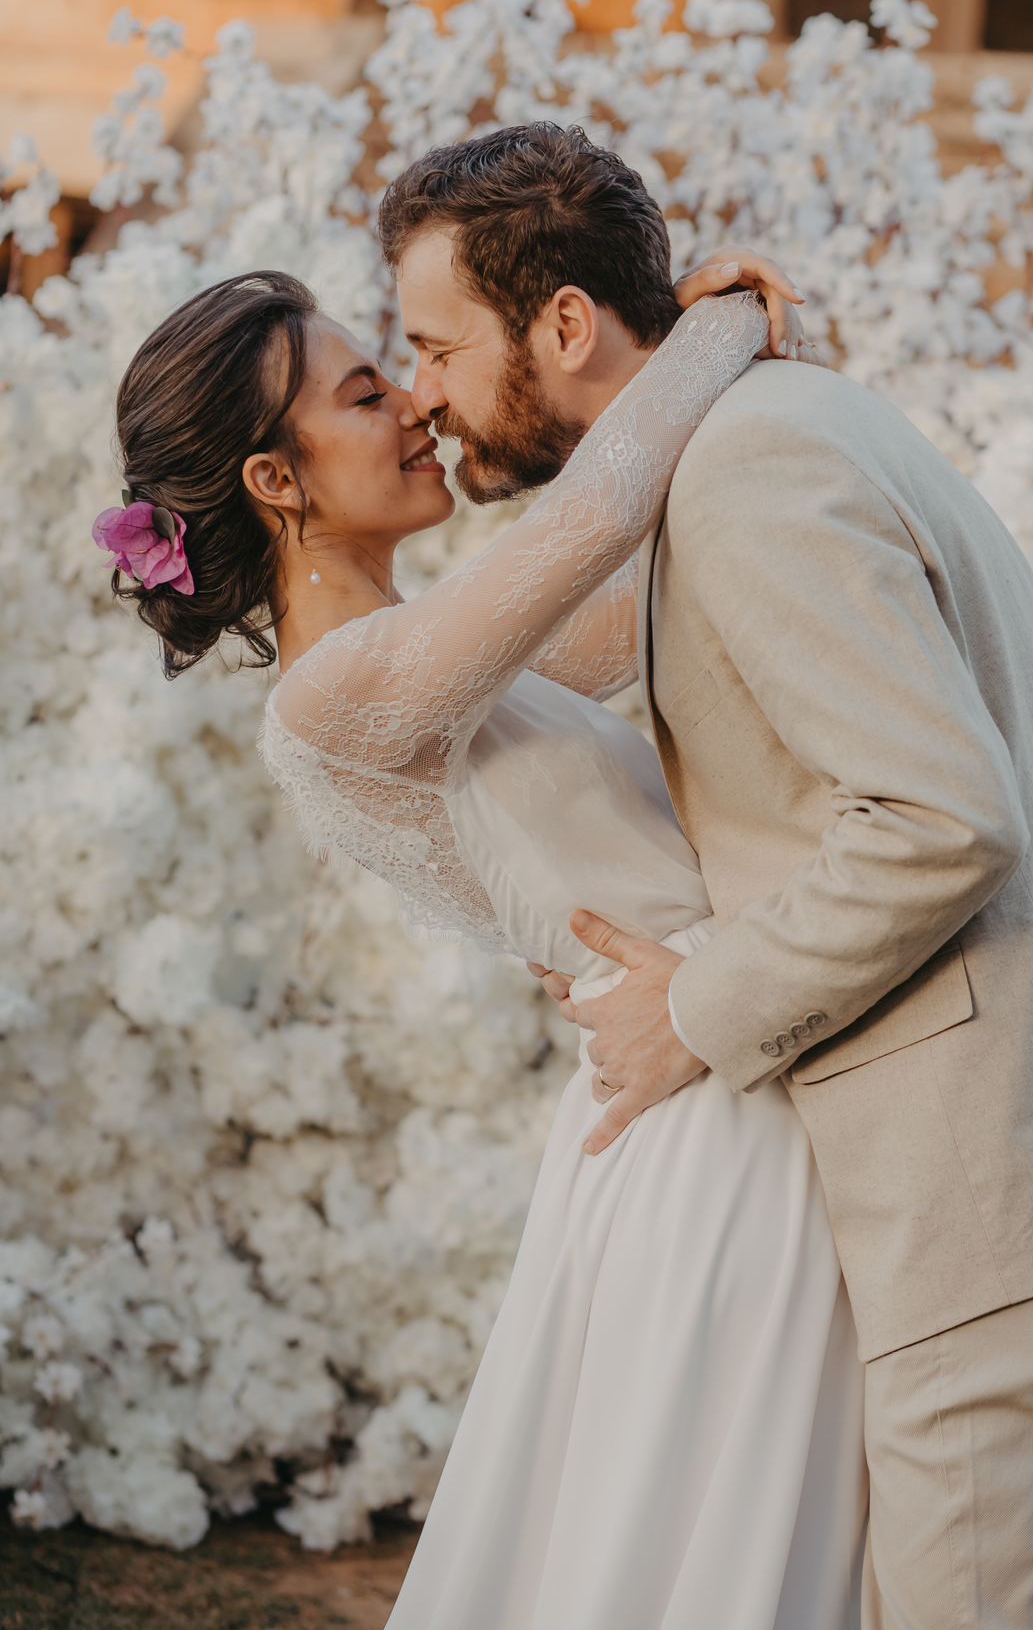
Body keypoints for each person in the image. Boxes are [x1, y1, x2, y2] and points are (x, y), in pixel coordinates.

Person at [379, 122, 1033, 1630]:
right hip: (971, 1138)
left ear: (563, 324)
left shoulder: (749, 472)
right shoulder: (758, 432)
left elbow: (946, 817)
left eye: (434, 344)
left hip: (990, 1149)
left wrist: (695, 1009)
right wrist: (726, 330)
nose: (419, 389)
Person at [95, 233, 867, 1628]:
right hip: (709, 1127)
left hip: (722, 1073)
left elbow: (667, 583)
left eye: (397, 372)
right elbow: (595, 521)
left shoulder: (449, 656)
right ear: (276, 481)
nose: (414, 405)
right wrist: (721, 318)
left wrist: (755, 360)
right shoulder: (335, 699)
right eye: (361, 394)